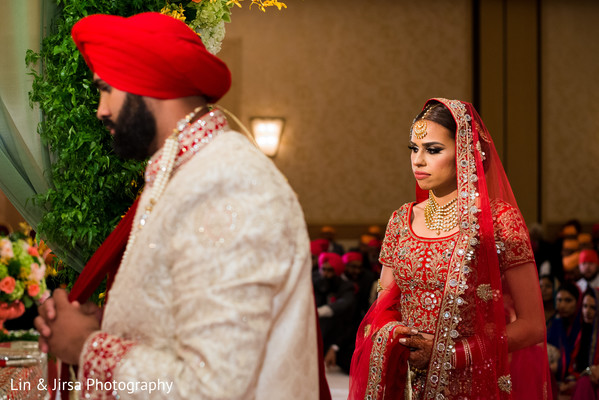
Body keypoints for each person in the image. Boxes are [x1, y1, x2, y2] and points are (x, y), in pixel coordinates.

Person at [33, 12, 322, 399]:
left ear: (147, 82)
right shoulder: (184, 173)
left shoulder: (227, 183)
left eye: (106, 89)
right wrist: (108, 325)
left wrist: (89, 346)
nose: (101, 110)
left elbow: (212, 387)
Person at [348, 98, 550, 399]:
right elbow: (384, 307)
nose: (418, 160)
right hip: (406, 382)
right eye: (413, 149)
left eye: (433, 150)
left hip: (470, 384)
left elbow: (533, 326)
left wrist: (448, 353)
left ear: (465, 153)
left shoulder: (499, 222)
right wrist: (397, 337)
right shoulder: (401, 220)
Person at [313, 252, 356, 371]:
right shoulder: (315, 281)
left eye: (330, 270)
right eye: (324, 269)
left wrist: (319, 312)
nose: (326, 274)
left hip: (338, 334)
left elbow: (344, 304)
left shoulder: (346, 286)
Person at [547, 282, 582, 384]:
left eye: (568, 300)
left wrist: (559, 366)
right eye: (559, 300)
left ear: (578, 302)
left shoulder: (583, 326)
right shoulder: (554, 322)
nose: (562, 305)